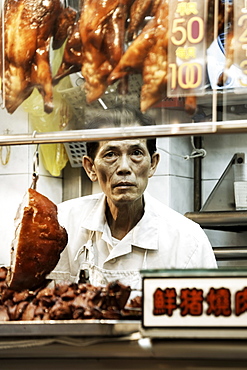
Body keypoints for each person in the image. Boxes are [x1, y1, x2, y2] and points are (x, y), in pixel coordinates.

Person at [49, 105, 217, 290]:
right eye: (110, 154)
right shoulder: (60, 225)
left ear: (153, 164)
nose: (124, 167)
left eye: (136, 153)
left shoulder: (188, 240)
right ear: (91, 168)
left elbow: (209, 315)